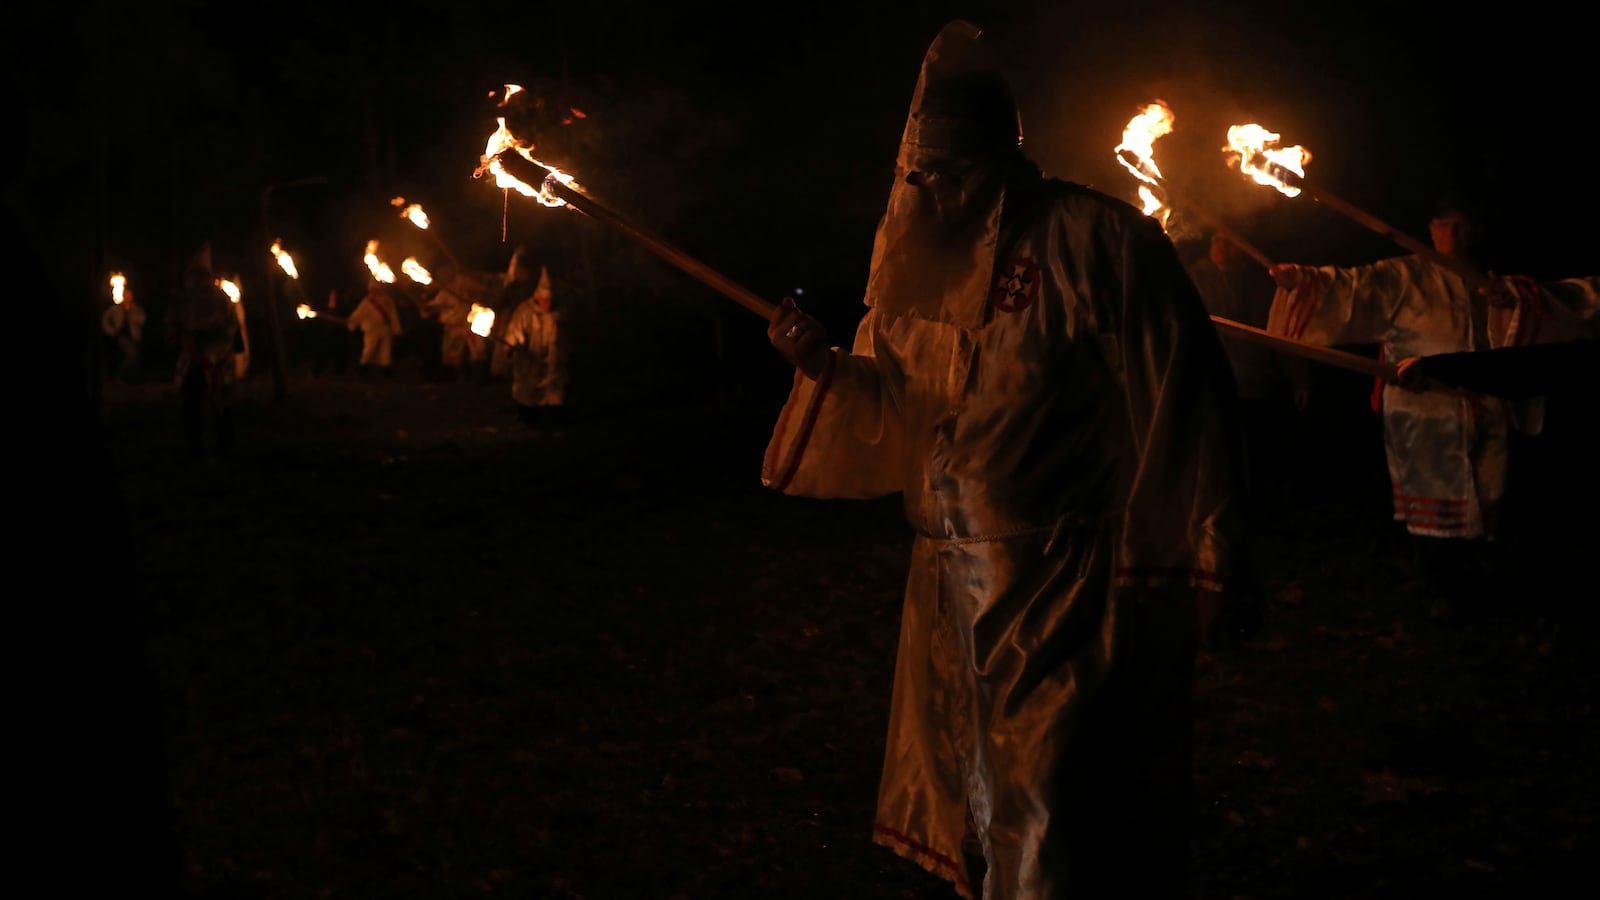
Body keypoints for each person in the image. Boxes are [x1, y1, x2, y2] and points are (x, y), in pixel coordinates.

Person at [762, 21, 1248, 899]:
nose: (937, 196)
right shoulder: (913, 264)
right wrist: (823, 367)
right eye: (921, 177)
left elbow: (1183, 404)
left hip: (1059, 582)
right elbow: (902, 406)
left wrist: (1195, 560)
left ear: (1002, 162)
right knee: (976, 793)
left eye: (954, 175)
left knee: (1048, 795)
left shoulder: (1100, 242)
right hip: (946, 583)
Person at [1267, 197, 1597, 617]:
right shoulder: (1402, 275)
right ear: (1431, 229)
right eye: (1444, 226)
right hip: (1423, 411)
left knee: (1486, 498)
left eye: (1460, 227)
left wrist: (1515, 300)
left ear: (1472, 232)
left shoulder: (1490, 280)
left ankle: (1478, 584)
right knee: (1433, 506)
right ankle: (1440, 589)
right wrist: (1302, 282)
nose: (1452, 235)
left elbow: (1551, 310)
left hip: (1484, 405)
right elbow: (1350, 289)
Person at [1185, 230, 1312, 503]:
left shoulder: (1259, 284)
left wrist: (1299, 378)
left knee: (1264, 448)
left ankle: (1272, 500)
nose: (1222, 249)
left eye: (1229, 243)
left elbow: (1281, 332)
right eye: (1217, 241)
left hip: (1258, 382)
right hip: (1218, 381)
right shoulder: (1194, 279)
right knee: (1225, 453)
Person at [166, 245, 241, 456]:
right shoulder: (182, 299)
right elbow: (172, 327)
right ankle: (194, 443)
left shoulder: (221, 298)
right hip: (193, 357)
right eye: (194, 274)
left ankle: (225, 443)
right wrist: (185, 340)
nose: (197, 279)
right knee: (192, 400)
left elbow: (230, 326)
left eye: (201, 274)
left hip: (218, 357)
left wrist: (218, 349)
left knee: (221, 401)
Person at [502, 265, 567, 428]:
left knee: (554, 393)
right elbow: (514, 331)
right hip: (529, 362)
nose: (548, 304)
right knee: (528, 393)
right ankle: (529, 422)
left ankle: (553, 425)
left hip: (552, 362)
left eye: (550, 300)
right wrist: (511, 345)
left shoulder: (558, 314)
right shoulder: (525, 312)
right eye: (545, 301)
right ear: (538, 298)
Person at [346, 278, 404, 376]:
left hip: (385, 328)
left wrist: (396, 329)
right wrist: (352, 323)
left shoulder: (387, 300)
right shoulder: (368, 301)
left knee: (386, 349)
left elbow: (393, 315)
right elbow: (359, 314)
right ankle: (363, 366)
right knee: (369, 348)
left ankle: (385, 367)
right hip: (372, 329)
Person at [100, 285, 147, 382]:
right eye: (127, 296)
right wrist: (110, 331)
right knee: (133, 355)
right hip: (121, 336)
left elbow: (143, 319)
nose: (129, 298)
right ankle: (119, 375)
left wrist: (137, 320)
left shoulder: (136, 308)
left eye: (130, 296)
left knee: (137, 357)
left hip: (134, 336)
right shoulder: (116, 309)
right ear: (123, 296)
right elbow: (105, 319)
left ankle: (130, 378)